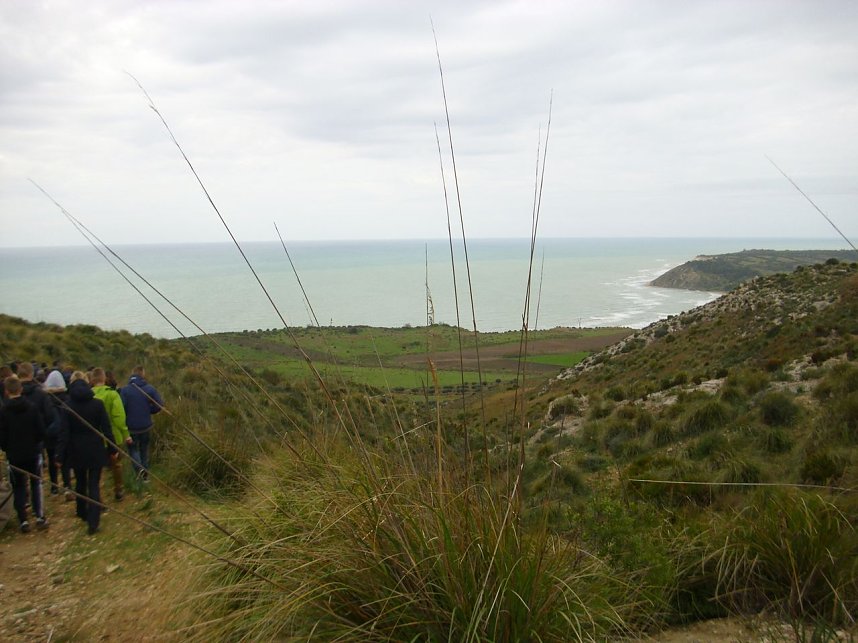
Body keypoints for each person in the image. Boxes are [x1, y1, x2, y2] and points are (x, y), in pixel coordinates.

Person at [57, 372, 115, 535]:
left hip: (76, 450)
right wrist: (113, 449)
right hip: (95, 448)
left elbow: (64, 433)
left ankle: (81, 511)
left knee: (80, 482)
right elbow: (106, 428)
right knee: (94, 485)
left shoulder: (67, 406)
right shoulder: (97, 404)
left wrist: (59, 456)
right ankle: (93, 521)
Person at [0, 375, 48, 532]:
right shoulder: (32, 408)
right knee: (36, 483)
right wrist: (37, 442)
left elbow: (2, 436)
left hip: (14, 455)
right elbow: (41, 430)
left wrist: (6, 448)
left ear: (6, 392)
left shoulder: (4, 411)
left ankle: (23, 519)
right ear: (20, 389)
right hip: (33, 452)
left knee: (18, 486)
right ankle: (40, 516)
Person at [91, 368, 131, 500]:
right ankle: (118, 491)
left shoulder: (89, 396)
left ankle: (98, 495)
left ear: (92, 380)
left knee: (97, 468)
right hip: (113, 436)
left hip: (94, 438)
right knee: (117, 465)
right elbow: (119, 417)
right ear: (104, 379)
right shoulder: (113, 395)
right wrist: (126, 434)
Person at [120, 366, 163, 482]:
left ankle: (139, 470)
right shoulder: (149, 389)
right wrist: (149, 410)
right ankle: (145, 476)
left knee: (134, 450)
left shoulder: (124, 390)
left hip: (131, 427)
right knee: (144, 450)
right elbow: (159, 405)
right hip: (146, 425)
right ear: (143, 375)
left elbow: (121, 409)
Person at [43, 369, 71, 495]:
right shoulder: (67, 399)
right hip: (64, 435)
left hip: (50, 435)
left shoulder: (45, 400)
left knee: (51, 460)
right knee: (65, 459)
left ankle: (54, 486)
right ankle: (67, 485)